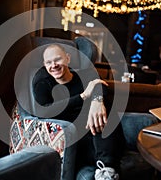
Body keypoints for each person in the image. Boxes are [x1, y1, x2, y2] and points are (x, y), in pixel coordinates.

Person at [32, 44, 125, 180]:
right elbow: (44, 111)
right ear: (44, 65)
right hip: (77, 142)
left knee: (105, 107)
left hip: (100, 135)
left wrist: (96, 102)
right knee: (104, 126)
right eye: (48, 62)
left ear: (68, 59)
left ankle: (106, 171)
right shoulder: (43, 85)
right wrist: (83, 96)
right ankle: (108, 169)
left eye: (58, 59)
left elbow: (101, 85)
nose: (54, 65)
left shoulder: (85, 75)